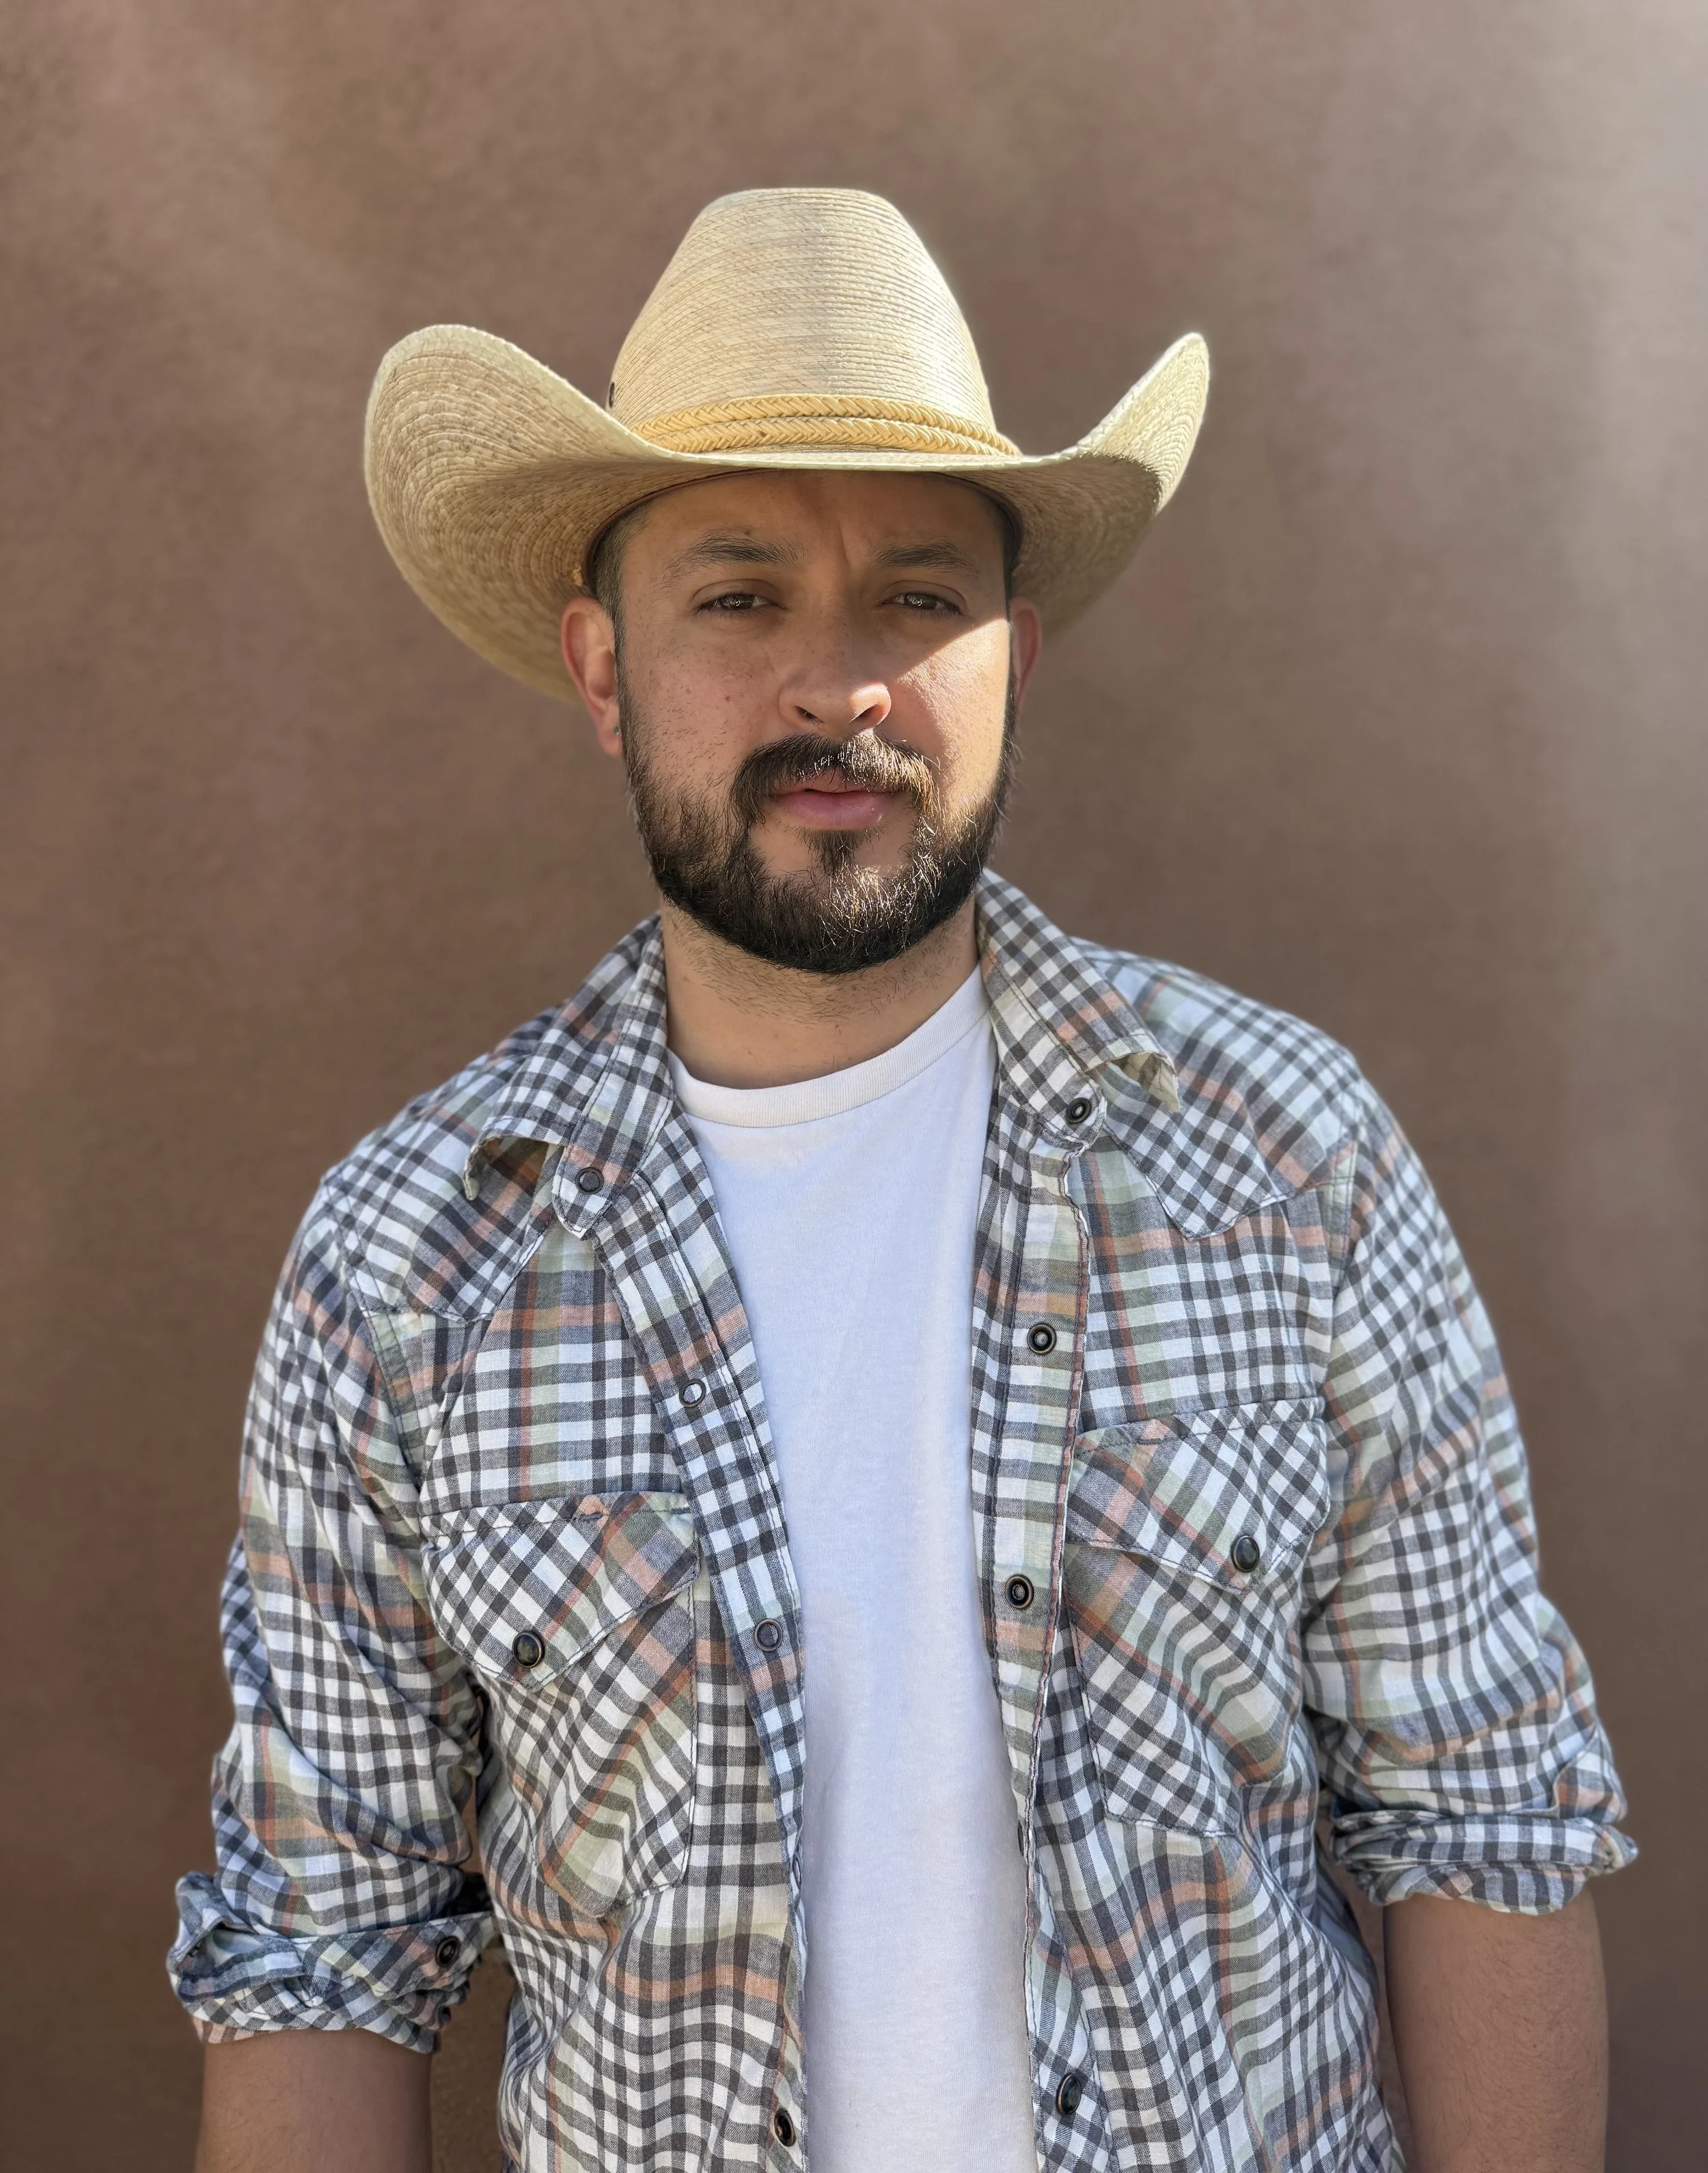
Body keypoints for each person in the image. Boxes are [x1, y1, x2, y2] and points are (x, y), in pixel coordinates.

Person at [174, 189, 1633, 2173]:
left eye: (919, 598)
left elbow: (1483, 1819)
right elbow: (319, 1955)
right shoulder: (409, 1263)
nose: (837, 687)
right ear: (604, 669)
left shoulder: (1287, 1154)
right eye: (738, 597)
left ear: (1014, 657)